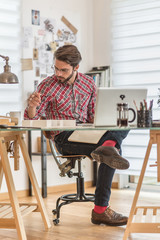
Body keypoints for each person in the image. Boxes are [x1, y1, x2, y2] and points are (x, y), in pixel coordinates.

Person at [24, 45, 130, 226]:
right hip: (64, 138)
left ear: (76, 68)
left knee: (124, 122)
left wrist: (104, 119)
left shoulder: (88, 84)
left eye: (64, 70)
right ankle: (100, 210)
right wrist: (32, 106)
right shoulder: (47, 85)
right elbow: (30, 119)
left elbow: (92, 117)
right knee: (113, 150)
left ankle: (109, 146)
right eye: (56, 68)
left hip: (87, 132)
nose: (58, 73)